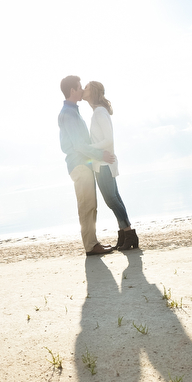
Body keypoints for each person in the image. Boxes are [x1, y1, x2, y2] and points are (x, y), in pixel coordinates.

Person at [58, 75, 116, 256]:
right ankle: (90, 246)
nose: (83, 89)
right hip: (79, 165)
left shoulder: (73, 111)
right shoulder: (68, 113)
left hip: (84, 164)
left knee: (91, 205)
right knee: (86, 205)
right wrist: (101, 155)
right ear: (73, 91)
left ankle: (93, 242)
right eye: (80, 87)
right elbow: (79, 145)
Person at [82, 81, 139, 251]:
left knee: (111, 199)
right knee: (114, 198)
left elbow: (108, 140)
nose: (84, 90)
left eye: (86, 87)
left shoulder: (99, 112)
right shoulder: (98, 111)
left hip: (103, 164)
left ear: (93, 91)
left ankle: (129, 234)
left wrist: (89, 149)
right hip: (103, 163)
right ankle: (124, 235)